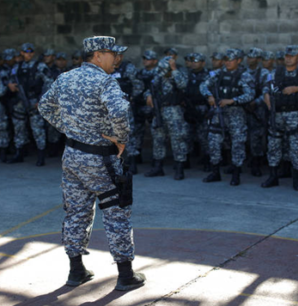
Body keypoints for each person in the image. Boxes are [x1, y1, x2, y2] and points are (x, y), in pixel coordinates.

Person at [38, 36, 145, 291]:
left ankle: (76, 271)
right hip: (101, 159)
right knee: (116, 211)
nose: (117, 59)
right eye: (112, 54)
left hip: (72, 156)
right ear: (97, 55)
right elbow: (119, 113)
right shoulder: (105, 81)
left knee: (76, 211)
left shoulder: (65, 77)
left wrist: (70, 129)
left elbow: (44, 106)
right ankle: (125, 274)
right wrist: (120, 140)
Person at [261, 45, 298, 191]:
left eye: (292, 56)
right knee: (273, 146)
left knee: (296, 147)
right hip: (277, 114)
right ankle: (273, 176)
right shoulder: (276, 72)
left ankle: (296, 179)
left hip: (294, 114)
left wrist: (297, 88)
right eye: (287, 56)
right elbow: (266, 86)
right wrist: (266, 94)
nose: (289, 58)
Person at [200, 49, 255, 186]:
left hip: (236, 114)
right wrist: (209, 95)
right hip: (219, 113)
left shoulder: (244, 75)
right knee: (213, 141)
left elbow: (250, 94)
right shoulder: (217, 74)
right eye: (226, 60)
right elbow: (203, 85)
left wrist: (233, 100)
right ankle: (215, 172)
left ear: (238, 61)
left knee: (237, 143)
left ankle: (236, 174)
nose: (228, 63)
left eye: (231, 60)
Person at [143, 56, 189, 180]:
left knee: (177, 139)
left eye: (166, 68)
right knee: (158, 138)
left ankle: (179, 168)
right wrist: (148, 96)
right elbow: (149, 89)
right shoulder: (159, 77)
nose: (163, 71)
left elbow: (183, 85)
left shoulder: (178, 74)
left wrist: (174, 69)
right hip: (159, 111)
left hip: (174, 111)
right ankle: (158, 167)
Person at [6, 43, 47, 165]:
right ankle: (19, 153)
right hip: (20, 101)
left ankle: (41, 155)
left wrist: (42, 99)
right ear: (22, 53)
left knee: (37, 129)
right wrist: (10, 86)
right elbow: (10, 80)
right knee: (18, 128)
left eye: (31, 52)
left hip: (34, 101)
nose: (28, 54)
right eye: (26, 52)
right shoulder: (16, 67)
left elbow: (49, 83)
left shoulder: (40, 66)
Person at [110, 45, 144, 174]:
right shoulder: (104, 69)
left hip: (124, 107)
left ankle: (131, 162)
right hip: (108, 109)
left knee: (129, 134)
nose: (116, 58)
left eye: (118, 56)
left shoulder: (128, 69)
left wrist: (129, 99)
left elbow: (138, 85)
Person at [245, 47, 270, 177]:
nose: (249, 60)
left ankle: (257, 163)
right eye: (248, 57)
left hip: (257, 110)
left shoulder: (264, 73)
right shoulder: (243, 72)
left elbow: (267, 91)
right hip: (243, 108)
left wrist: (256, 102)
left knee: (257, 137)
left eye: (252, 57)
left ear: (259, 59)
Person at [183, 53, 210, 171]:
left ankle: (207, 159)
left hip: (202, 108)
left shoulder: (208, 75)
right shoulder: (186, 74)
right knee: (186, 135)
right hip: (188, 108)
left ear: (203, 63)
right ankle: (186, 159)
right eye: (192, 61)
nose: (194, 63)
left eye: (197, 61)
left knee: (204, 136)